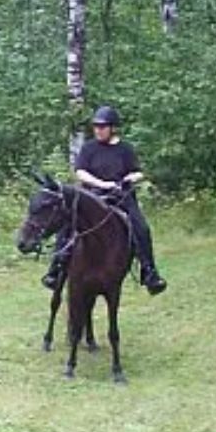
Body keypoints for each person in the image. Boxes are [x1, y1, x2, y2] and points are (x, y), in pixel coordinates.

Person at [42, 105, 169, 296]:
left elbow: (138, 171)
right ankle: (55, 270)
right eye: (96, 126)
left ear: (113, 128)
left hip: (120, 197)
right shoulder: (89, 148)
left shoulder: (125, 149)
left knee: (141, 227)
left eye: (103, 126)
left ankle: (149, 272)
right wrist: (102, 184)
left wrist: (128, 179)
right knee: (67, 224)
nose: (98, 130)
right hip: (91, 196)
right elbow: (80, 172)